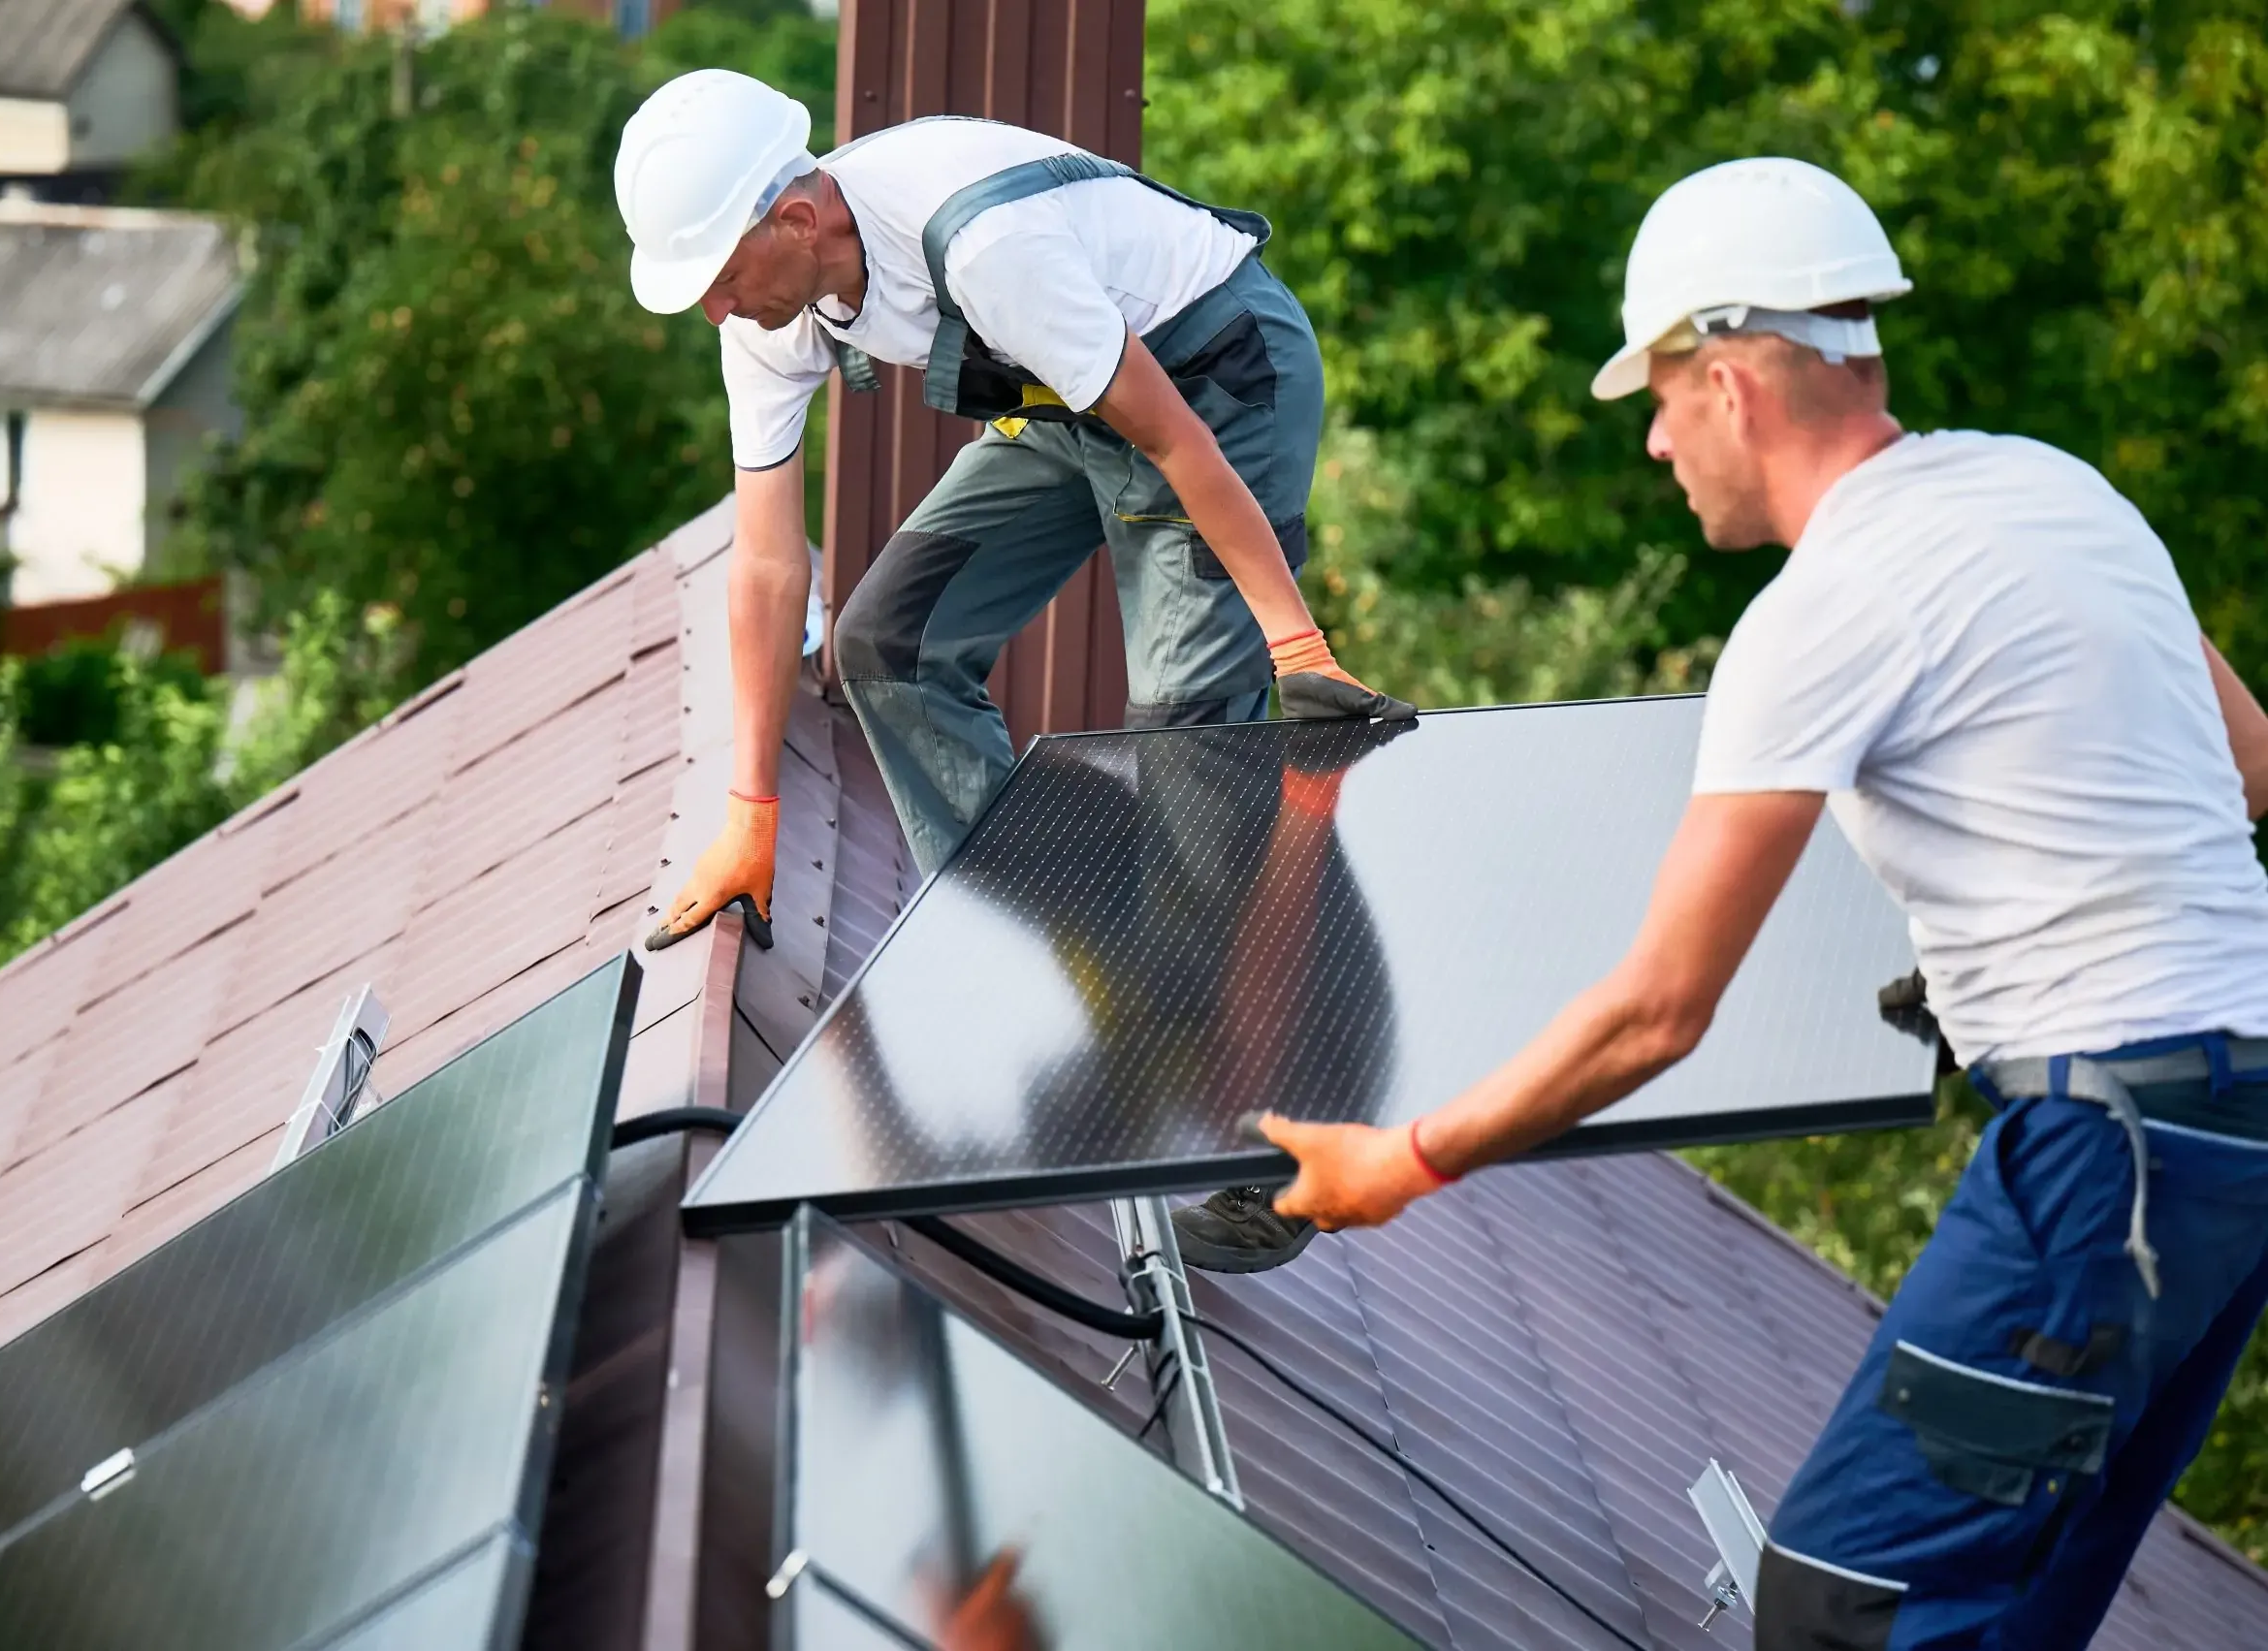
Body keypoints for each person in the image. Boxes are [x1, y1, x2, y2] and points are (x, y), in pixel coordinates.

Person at [1255, 156, 2268, 1649]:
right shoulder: (2055, 487)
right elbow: (2244, 768)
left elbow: (1660, 1007)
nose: (1658, 443)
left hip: (2096, 1153)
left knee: (1842, 1601)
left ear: (1731, 381)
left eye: (1659, 398)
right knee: (2020, 1603)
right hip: (2234, 1143)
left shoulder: (1824, 608)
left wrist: (1405, 1157)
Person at [614, 68, 1409, 1271]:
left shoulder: (982, 246)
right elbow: (768, 568)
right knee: (891, 644)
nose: (717, 310)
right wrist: (749, 812)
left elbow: (1173, 438)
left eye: (721, 278)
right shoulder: (775, 316)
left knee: (1190, 733)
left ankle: (1270, 1157)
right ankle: (1108, 956)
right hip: (1066, 402)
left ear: (795, 218)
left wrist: (1293, 642)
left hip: (1214, 381)